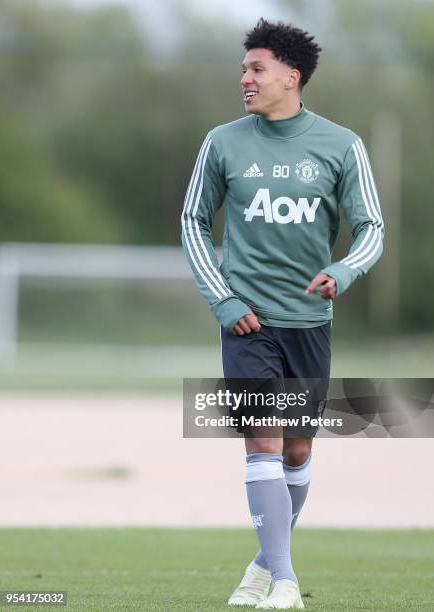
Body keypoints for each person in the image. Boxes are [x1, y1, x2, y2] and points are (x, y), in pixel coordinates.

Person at [181, 17, 384, 610]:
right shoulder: (222, 142)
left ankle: (262, 566)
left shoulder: (342, 144)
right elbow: (193, 220)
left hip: (309, 326)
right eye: (243, 69)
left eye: (256, 68)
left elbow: (372, 226)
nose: (244, 78)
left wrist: (344, 271)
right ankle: (287, 585)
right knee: (263, 445)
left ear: (291, 78)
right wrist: (223, 298)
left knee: (297, 451)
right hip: (248, 323)